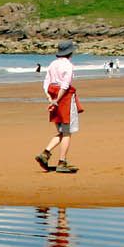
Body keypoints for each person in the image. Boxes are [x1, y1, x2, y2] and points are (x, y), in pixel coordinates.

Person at [35, 42, 81, 173]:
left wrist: (50, 98)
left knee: (62, 130)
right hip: (64, 98)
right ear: (71, 52)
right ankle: (62, 161)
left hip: (53, 95)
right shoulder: (68, 65)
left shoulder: (52, 64)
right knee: (67, 132)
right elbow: (65, 85)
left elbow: (46, 83)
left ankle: (45, 154)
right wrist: (56, 100)